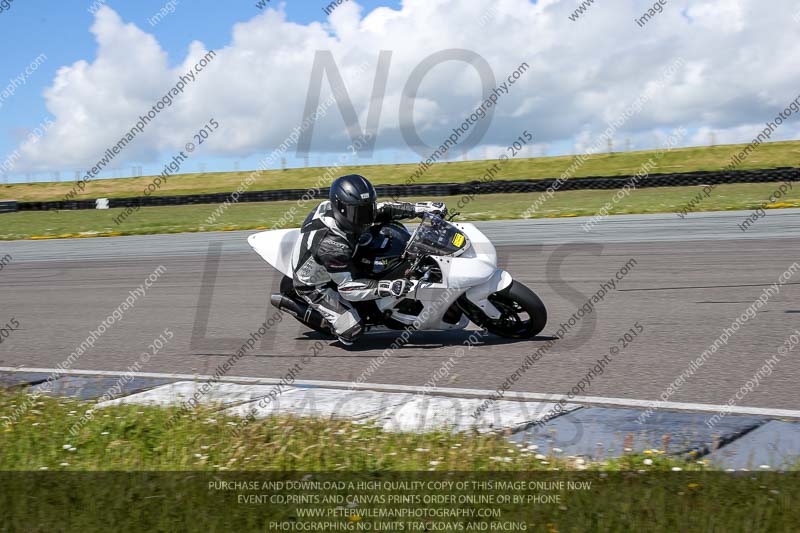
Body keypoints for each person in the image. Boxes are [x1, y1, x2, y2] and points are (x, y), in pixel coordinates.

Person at [291, 174, 447, 345]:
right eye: (358, 213)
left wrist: (422, 208)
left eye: (367, 209)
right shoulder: (332, 245)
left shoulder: (349, 211)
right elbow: (347, 288)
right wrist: (388, 286)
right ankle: (336, 322)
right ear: (340, 209)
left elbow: (384, 209)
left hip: (339, 255)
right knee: (352, 332)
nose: (366, 217)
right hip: (315, 284)